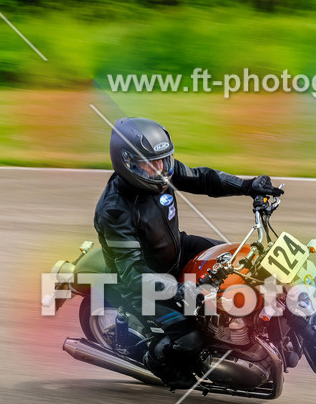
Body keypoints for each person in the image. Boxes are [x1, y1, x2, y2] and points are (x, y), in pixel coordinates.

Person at [94, 117, 283, 388]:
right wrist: (178, 289)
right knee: (190, 340)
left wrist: (247, 186)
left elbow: (203, 179)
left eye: (163, 161)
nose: (159, 170)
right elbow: (132, 273)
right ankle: (159, 363)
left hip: (178, 250)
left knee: (242, 263)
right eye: (149, 164)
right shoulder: (115, 210)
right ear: (127, 163)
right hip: (139, 283)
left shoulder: (162, 172)